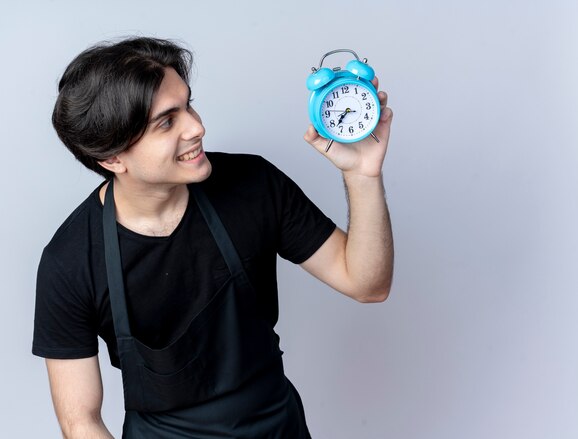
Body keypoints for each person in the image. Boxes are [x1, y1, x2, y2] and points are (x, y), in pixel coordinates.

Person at [32, 36, 394, 439]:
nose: (197, 126)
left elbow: (368, 284)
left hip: (277, 427)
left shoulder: (253, 186)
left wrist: (362, 176)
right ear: (113, 158)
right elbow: (80, 421)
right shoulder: (69, 262)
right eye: (167, 122)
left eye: (188, 105)